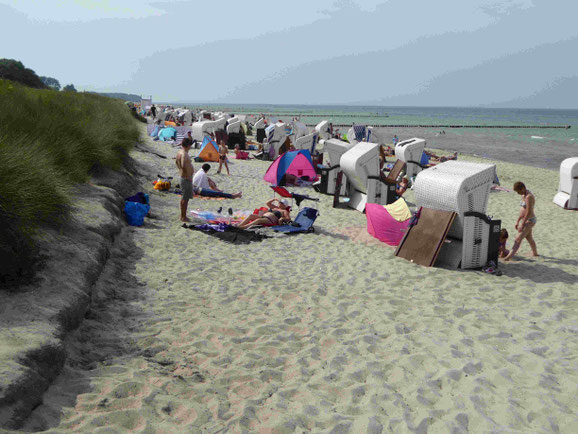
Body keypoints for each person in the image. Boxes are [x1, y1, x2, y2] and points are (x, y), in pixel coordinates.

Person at [504, 182, 539, 261]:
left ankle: (507, 258)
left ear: (522, 188)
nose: (518, 193)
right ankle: (535, 253)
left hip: (530, 220)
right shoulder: (523, 195)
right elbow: (522, 210)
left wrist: (522, 224)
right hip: (524, 220)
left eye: (518, 192)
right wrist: (518, 221)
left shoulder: (529, 197)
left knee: (518, 239)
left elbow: (528, 211)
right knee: (529, 237)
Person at [176, 137, 194, 222]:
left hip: (183, 177)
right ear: (188, 145)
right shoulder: (184, 154)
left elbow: (177, 162)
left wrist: (180, 170)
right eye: (190, 145)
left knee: (184, 197)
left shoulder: (180, 152)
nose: (191, 147)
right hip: (186, 178)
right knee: (185, 199)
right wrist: (187, 174)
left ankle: (182, 216)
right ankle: (183, 217)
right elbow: (183, 164)